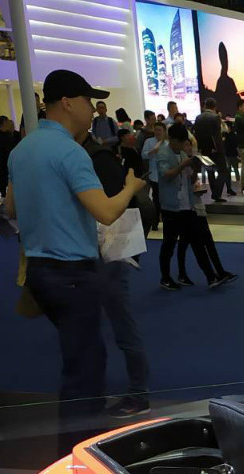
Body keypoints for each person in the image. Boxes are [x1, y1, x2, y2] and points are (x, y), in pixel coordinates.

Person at [6, 69, 146, 414]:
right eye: (87, 100)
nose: (93, 108)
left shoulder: (22, 149)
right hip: (72, 274)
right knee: (85, 371)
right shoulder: (71, 152)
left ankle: (79, 434)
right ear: (67, 103)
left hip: (39, 273)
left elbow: (11, 208)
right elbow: (106, 212)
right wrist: (130, 187)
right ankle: (77, 442)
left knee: (80, 357)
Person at [82, 128, 152, 418]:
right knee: (94, 326)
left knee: (121, 325)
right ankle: (109, 389)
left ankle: (138, 393)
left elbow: (119, 206)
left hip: (107, 252)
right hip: (94, 252)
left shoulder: (97, 158)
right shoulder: (89, 156)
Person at [151, 122, 220, 289]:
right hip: (171, 207)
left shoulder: (182, 153)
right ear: (173, 139)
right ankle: (165, 278)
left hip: (187, 205)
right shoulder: (163, 153)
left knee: (197, 242)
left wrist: (194, 168)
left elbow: (189, 178)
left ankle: (211, 277)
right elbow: (165, 175)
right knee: (169, 244)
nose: (183, 145)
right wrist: (183, 165)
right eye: (181, 142)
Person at [193, 98, 230, 201]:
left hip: (204, 149)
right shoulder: (215, 117)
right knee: (223, 170)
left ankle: (215, 193)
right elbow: (216, 136)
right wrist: (218, 148)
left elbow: (197, 134)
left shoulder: (198, 117)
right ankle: (217, 193)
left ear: (205, 105)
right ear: (215, 106)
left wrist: (199, 148)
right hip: (215, 149)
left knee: (210, 171)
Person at [0, 115, 19, 194]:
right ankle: (3, 193)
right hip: (2, 158)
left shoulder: (10, 133)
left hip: (11, 157)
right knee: (3, 176)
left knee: (12, 175)